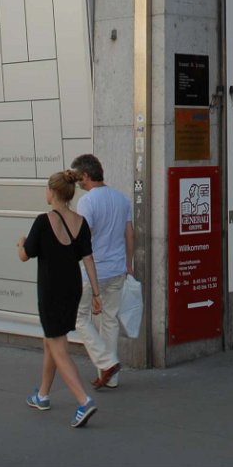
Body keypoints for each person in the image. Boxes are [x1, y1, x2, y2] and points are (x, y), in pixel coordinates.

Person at [17, 169, 102, 428]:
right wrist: (97, 294)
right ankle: (42, 395)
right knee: (51, 341)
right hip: (72, 288)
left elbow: (25, 255)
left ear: (52, 192)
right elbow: (88, 259)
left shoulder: (43, 221)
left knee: (58, 346)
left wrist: (20, 242)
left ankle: (83, 401)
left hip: (51, 290)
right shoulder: (80, 222)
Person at [70, 153, 133, 390]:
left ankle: (107, 363)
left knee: (80, 318)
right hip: (117, 268)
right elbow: (130, 235)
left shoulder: (87, 202)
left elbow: (83, 238)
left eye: (78, 177)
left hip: (94, 271)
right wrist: (129, 265)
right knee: (110, 320)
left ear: (85, 175)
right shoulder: (121, 198)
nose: (77, 182)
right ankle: (111, 377)